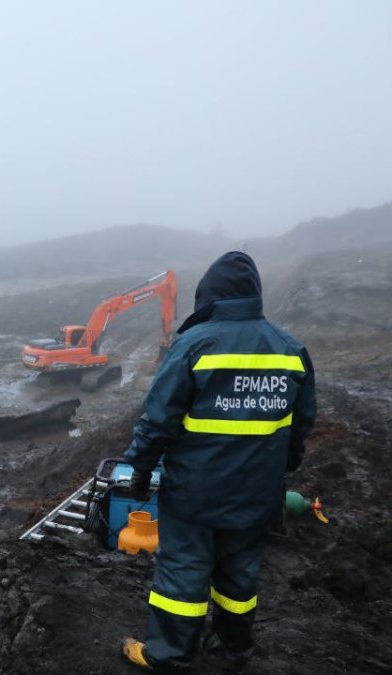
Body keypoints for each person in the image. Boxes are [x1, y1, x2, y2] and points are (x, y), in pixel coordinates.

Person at [119, 251, 316, 672]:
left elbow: (159, 419)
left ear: (209, 297)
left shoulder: (194, 344)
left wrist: (138, 469)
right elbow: (300, 426)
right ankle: (231, 651)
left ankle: (169, 656)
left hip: (196, 494)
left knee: (183, 572)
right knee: (240, 576)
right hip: (257, 495)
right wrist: (283, 469)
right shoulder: (290, 350)